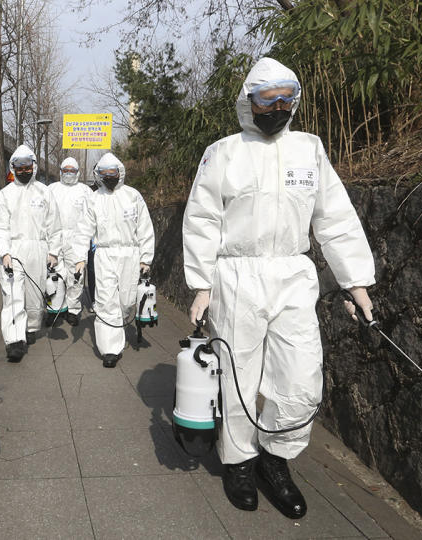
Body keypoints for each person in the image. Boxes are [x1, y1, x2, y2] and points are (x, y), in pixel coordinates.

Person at [182, 57, 375, 519]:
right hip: (237, 277)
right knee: (238, 374)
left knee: (301, 376)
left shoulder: (309, 150)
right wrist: (201, 286)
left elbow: (334, 217)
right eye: (268, 99)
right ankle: (239, 463)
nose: (278, 107)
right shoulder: (223, 152)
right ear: (249, 101)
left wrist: (356, 283)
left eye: (287, 98)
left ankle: (276, 458)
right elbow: (203, 219)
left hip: (292, 275)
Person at [72, 152, 154, 368]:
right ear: (98, 175)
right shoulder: (93, 199)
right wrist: (80, 258)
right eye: (104, 173)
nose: (109, 177)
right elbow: (83, 230)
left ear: (120, 173)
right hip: (104, 255)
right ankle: (110, 349)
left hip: (130, 254)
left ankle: (121, 325)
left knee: (126, 302)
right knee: (106, 301)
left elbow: (145, 228)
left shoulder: (133, 196)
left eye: (112, 172)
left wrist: (145, 259)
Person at [0, 145, 60, 361]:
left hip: (38, 250)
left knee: (34, 294)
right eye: (19, 167)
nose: (23, 171)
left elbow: (54, 225)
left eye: (27, 166)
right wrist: (4, 253)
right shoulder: (6, 194)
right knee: (12, 295)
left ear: (33, 166)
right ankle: (14, 341)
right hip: (14, 250)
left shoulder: (44, 192)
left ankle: (29, 328)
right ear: (13, 168)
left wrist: (54, 252)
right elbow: (0, 227)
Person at [47, 157, 90, 326]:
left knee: (76, 276)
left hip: (77, 239)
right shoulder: (51, 189)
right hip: (55, 237)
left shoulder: (85, 191)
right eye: (66, 170)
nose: (69, 173)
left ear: (78, 172)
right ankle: (55, 308)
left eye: (72, 170)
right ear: (60, 172)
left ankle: (73, 309)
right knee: (54, 274)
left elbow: (91, 217)